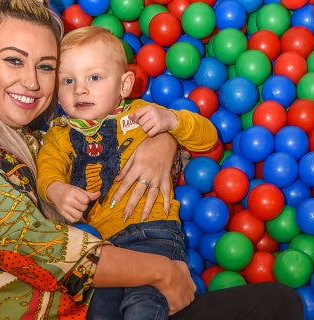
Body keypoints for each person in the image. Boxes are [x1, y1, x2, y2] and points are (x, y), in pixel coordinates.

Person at [0, 0, 304, 319]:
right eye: (13, 60)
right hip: (75, 299)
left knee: (277, 304)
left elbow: (112, 152)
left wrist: (161, 143)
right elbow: (35, 247)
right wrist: (162, 271)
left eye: (46, 67)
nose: (32, 82)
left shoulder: (36, 139)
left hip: (94, 299)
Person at [35, 25, 219, 320]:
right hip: (103, 247)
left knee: (144, 305)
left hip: (154, 229)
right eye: (67, 80)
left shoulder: (140, 114)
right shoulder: (59, 134)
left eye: (94, 77)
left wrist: (171, 120)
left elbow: (208, 137)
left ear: (124, 86)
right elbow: (47, 169)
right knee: (99, 311)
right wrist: (56, 190)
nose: (79, 88)